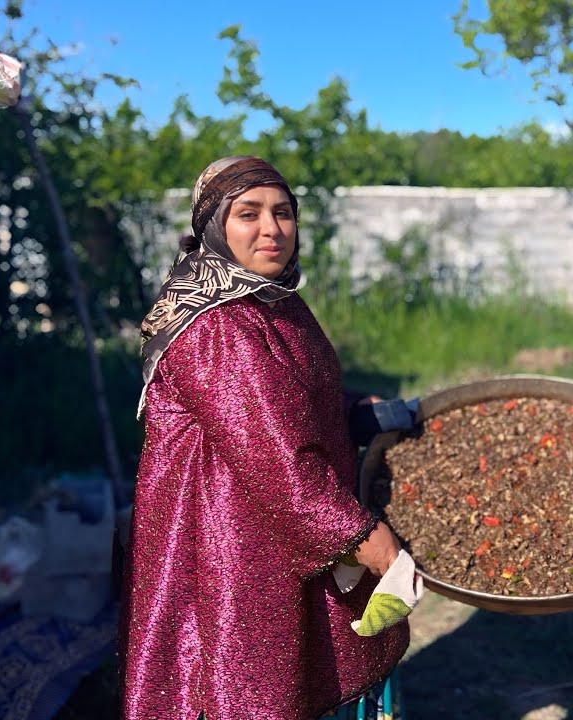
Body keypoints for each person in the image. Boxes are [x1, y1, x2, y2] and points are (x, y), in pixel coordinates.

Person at [121, 156, 408, 719]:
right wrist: (360, 533)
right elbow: (275, 457)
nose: (271, 229)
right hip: (225, 546)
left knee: (291, 681)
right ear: (213, 225)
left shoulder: (275, 304)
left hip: (277, 534)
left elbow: (287, 405)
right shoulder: (212, 324)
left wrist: (353, 412)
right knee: (236, 685)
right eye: (247, 213)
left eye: (283, 213)